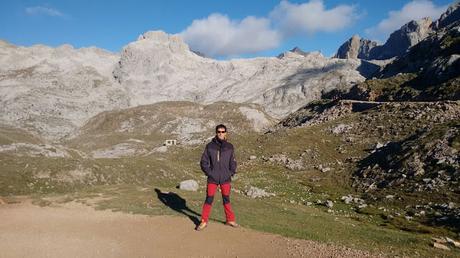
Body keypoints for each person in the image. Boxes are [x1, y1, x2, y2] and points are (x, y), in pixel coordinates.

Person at [196, 124, 239, 231]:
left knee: (226, 199)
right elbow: (204, 162)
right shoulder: (209, 146)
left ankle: (230, 220)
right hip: (212, 179)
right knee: (209, 199)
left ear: (226, 133)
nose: (221, 133)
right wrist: (210, 173)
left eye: (223, 131)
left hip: (225, 178)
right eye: (219, 131)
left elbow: (233, 162)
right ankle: (203, 221)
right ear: (216, 133)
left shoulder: (230, 147)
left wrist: (230, 173)